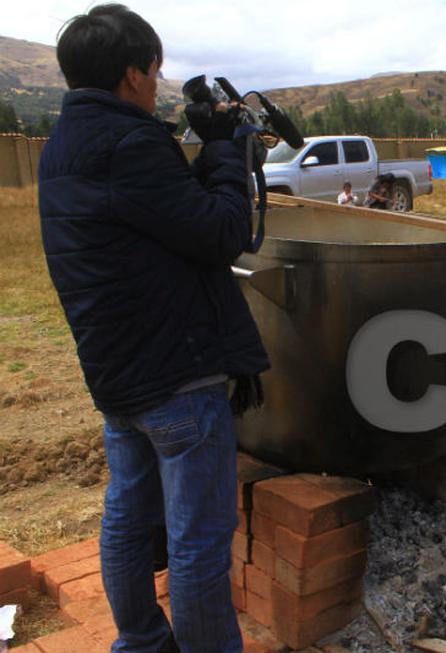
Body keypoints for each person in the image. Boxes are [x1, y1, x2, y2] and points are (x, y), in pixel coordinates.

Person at [38, 5, 268, 652]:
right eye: (155, 71)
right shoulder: (131, 142)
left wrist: (197, 152)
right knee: (198, 540)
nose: (158, 85)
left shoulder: (64, 146)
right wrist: (222, 149)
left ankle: (140, 640)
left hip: (119, 368)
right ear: (133, 73)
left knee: (128, 518)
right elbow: (221, 231)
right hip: (179, 371)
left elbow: (162, 218)